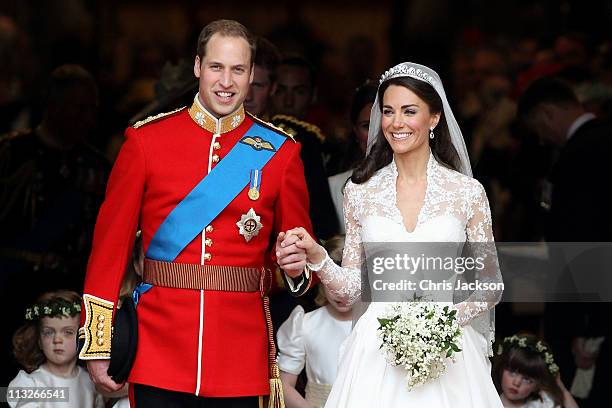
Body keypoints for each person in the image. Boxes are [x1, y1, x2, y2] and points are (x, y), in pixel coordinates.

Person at [79, 19, 314, 407]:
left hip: (240, 354)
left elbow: (300, 264)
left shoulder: (281, 153)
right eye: (216, 67)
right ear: (197, 68)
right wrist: (99, 343)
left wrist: (296, 267)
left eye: (238, 69)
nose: (226, 81)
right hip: (158, 349)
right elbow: (110, 248)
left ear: (252, 75)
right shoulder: (145, 142)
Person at [276, 62, 504, 407]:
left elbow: (490, 283)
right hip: (375, 350)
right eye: (388, 111)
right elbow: (352, 288)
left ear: (434, 118)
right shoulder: (361, 191)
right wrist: (320, 258)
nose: (396, 123)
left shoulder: (466, 192)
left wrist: (439, 323)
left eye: (409, 111)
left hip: (448, 351)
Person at [0, 64, 109, 385]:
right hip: (14, 287)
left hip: (70, 288)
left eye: (92, 110)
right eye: (79, 108)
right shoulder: (11, 154)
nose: (87, 118)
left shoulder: (97, 166)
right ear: (53, 105)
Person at [518, 77, 611, 407]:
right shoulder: (598, 142)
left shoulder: (582, 153)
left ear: (546, 114)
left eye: (538, 129)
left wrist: (586, 329)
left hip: (588, 310)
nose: (542, 140)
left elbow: (586, 238)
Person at [277, 236, 352, 408]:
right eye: (331, 284)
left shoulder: (374, 324)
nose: (340, 293)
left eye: (347, 285)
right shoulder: (305, 323)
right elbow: (284, 384)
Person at [8, 290, 104, 408]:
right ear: (39, 341)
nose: (57, 340)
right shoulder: (30, 384)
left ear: (82, 337)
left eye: (68, 332)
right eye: (48, 332)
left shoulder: (91, 382)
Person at [327, 80, 377, 232]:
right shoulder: (334, 186)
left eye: (380, 124)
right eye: (367, 126)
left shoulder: (416, 182)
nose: (375, 134)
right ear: (355, 131)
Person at [493, 334, 579, 408]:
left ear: (537, 386)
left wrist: (561, 388)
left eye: (527, 379)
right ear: (502, 370)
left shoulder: (542, 403)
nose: (517, 383)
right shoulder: (488, 400)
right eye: (512, 372)